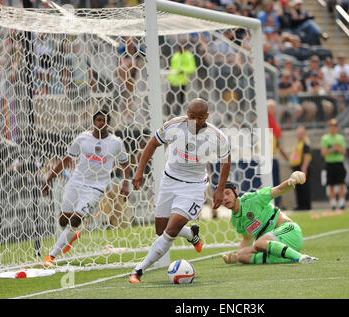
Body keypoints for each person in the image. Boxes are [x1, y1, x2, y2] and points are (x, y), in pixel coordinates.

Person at [129, 98, 231, 283]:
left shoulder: (216, 136)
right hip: (169, 181)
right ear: (187, 113)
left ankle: (139, 270)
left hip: (193, 187)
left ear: (207, 116)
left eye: (200, 117)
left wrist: (219, 189)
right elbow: (152, 143)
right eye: (191, 116)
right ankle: (190, 234)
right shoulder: (174, 125)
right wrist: (139, 170)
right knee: (161, 230)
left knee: (171, 229)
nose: (195, 120)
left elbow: (226, 160)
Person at [42, 110, 130, 266]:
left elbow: (125, 163)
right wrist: (49, 179)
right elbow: (66, 160)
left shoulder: (116, 143)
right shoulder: (83, 138)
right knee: (63, 220)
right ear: (93, 121)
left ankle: (51, 256)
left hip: (95, 188)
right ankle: (71, 236)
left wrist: (125, 184)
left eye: (103, 120)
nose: (100, 123)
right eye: (97, 120)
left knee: (76, 219)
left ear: (108, 123)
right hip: (76, 183)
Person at [220, 172, 318, 265]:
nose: (225, 198)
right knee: (242, 257)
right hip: (274, 245)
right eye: (221, 196)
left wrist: (291, 181)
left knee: (259, 243)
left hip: (290, 232)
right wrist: (238, 255)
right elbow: (247, 239)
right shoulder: (235, 220)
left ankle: (301, 257)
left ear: (236, 192)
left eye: (228, 193)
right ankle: (288, 257)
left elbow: (279, 190)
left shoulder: (251, 199)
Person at [320, 119, 347, 211]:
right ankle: (333, 204)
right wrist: (332, 149)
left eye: (334, 127)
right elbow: (323, 153)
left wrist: (338, 149)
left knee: (341, 184)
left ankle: (342, 203)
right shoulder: (325, 138)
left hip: (339, 163)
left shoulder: (340, 138)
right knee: (330, 184)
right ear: (329, 128)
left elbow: (344, 152)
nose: (333, 129)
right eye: (331, 127)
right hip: (330, 164)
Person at [289, 126, 312, 210]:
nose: (298, 135)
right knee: (298, 188)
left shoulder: (305, 143)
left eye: (300, 133)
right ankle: (300, 205)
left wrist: (304, 168)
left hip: (302, 168)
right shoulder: (298, 143)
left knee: (304, 188)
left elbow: (306, 156)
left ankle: (306, 206)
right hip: (297, 168)